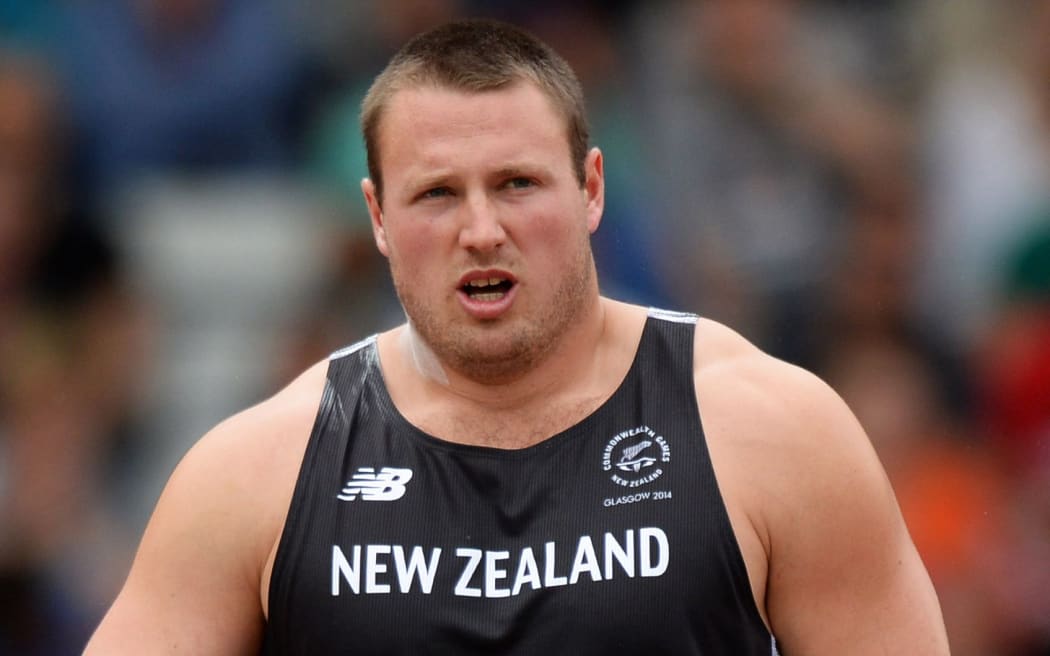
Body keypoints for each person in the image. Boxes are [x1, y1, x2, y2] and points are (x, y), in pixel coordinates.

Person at [84, 18, 950, 655]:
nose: (483, 228)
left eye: (518, 183)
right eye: (437, 195)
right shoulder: (257, 473)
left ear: (592, 189)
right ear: (379, 217)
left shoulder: (770, 429)